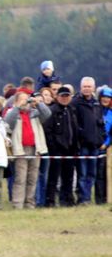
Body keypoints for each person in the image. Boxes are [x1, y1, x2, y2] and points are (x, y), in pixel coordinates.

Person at [4, 92, 51, 209]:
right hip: (20, 150)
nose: (26, 102)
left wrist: (38, 103)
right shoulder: (13, 113)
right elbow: (8, 122)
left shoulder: (35, 113)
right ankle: (18, 204)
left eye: (27, 99)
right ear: (16, 101)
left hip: (35, 149)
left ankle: (29, 203)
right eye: (22, 99)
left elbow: (47, 114)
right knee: (20, 178)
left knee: (33, 177)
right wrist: (18, 107)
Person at [70, 77, 106, 205]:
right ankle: (83, 198)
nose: (87, 89)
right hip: (82, 144)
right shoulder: (75, 103)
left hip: (95, 145)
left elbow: (101, 124)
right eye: (85, 86)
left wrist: (101, 138)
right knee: (82, 174)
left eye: (89, 86)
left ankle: (87, 197)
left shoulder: (97, 104)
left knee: (92, 173)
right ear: (81, 87)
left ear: (94, 88)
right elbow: (73, 124)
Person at [43, 87, 79, 207]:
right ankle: (50, 201)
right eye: (62, 96)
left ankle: (67, 200)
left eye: (67, 96)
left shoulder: (71, 110)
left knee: (68, 177)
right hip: (57, 150)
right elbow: (48, 131)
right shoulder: (52, 111)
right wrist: (53, 147)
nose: (65, 98)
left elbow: (74, 130)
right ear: (57, 97)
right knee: (53, 177)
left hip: (70, 149)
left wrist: (75, 146)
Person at [95, 86, 111, 204]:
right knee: (98, 174)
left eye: (108, 98)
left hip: (108, 147)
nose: (105, 100)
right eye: (103, 97)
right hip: (96, 145)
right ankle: (99, 199)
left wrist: (106, 144)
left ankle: (108, 197)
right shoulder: (96, 110)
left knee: (107, 173)